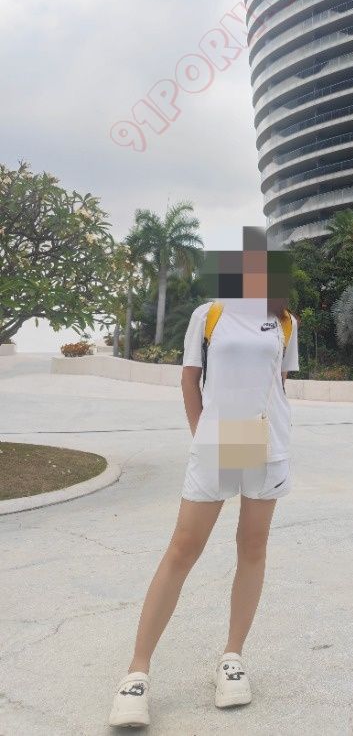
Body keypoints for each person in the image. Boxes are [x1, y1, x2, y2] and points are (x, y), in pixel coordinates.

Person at [108, 257, 299, 729]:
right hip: (220, 439)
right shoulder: (210, 314)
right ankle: (137, 672)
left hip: (267, 442)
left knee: (252, 547)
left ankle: (232, 658)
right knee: (183, 548)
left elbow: (279, 386)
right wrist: (202, 437)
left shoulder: (285, 322)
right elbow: (189, 380)